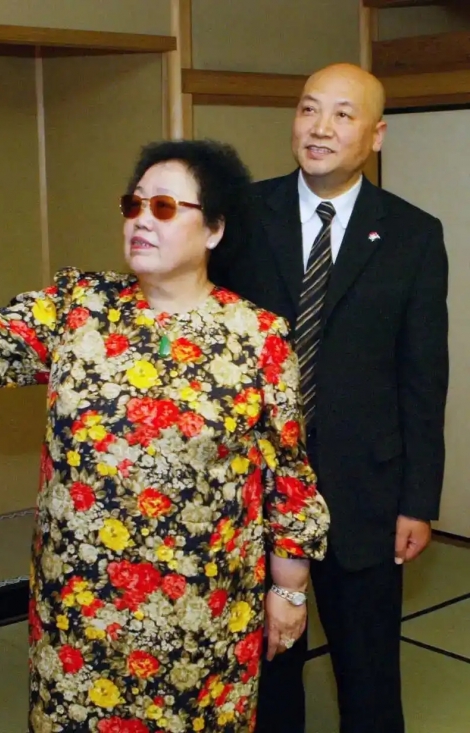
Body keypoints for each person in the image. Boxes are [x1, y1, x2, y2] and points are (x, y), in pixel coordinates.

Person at [0, 139, 330, 733]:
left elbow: (288, 475)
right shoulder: (80, 306)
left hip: (203, 615)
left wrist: (291, 590)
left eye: (165, 207)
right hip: (81, 608)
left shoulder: (259, 337)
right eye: (134, 204)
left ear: (215, 229)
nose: (142, 218)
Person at [209, 63, 449, 733]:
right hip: (253, 485)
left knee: (369, 676)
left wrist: (418, 498)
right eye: (309, 109)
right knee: (265, 672)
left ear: (376, 134)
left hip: (365, 489)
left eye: (343, 114)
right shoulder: (240, 216)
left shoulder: (412, 233)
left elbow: (422, 376)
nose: (319, 128)